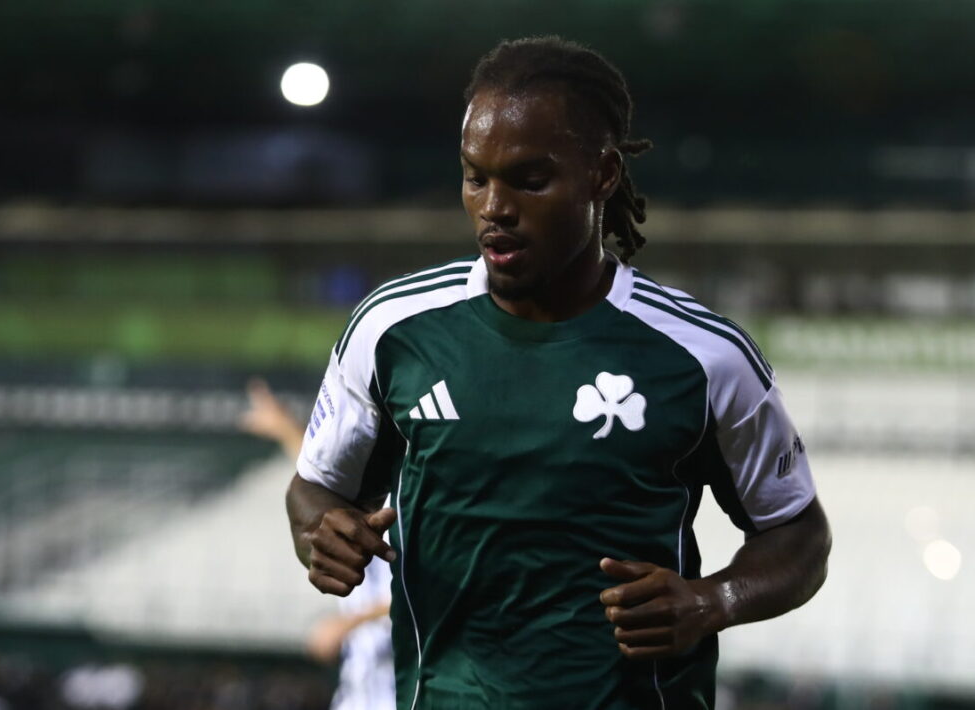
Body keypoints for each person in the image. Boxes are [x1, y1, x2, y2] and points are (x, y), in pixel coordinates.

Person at [286, 36, 831, 710]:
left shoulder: (705, 356)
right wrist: (320, 535)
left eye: (529, 180)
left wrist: (714, 600)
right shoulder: (392, 331)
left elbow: (799, 535)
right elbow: (314, 490)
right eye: (475, 177)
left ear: (602, 175)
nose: (494, 206)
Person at [240, 378, 395, 710]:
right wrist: (284, 427)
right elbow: (320, 484)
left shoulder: (406, 502)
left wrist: (351, 622)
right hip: (362, 693)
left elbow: (429, 594)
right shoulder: (369, 492)